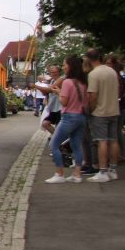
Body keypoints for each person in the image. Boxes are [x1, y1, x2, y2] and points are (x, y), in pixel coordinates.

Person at [45, 55, 88, 183]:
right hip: (81, 116)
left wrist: (58, 92)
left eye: (64, 65)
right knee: (76, 145)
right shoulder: (83, 82)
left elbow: (64, 102)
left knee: (54, 144)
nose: (63, 67)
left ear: (71, 67)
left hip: (69, 116)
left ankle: (59, 173)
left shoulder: (68, 82)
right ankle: (77, 174)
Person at [85, 48, 121, 183]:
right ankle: (113, 170)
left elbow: (92, 96)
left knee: (102, 141)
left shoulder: (94, 74)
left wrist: (90, 110)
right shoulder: (112, 71)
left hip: (100, 112)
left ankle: (103, 171)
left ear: (88, 59)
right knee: (114, 140)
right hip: (114, 110)